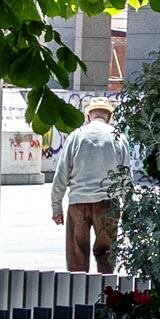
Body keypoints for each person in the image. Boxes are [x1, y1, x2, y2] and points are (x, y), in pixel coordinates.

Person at [48, 101, 130, 273]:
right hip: (108, 204)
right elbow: (126, 177)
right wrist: (129, 207)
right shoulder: (118, 136)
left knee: (77, 256)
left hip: (78, 203)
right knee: (107, 255)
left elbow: (61, 173)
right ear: (109, 117)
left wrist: (57, 207)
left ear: (87, 116)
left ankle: (78, 295)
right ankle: (106, 293)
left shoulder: (76, 136)